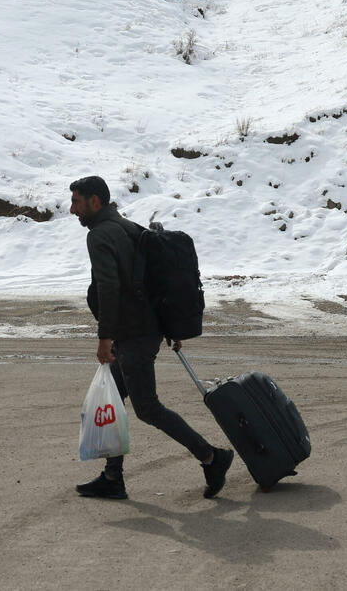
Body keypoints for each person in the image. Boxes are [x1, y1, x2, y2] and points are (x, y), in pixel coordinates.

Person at [68, 176, 233, 500]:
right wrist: (168, 327)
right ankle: (113, 477)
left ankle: (212, 456)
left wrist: (105, 338)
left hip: (133, 336)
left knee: (148, 408)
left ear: (95, 202)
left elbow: (110, 288)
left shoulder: (101, 235)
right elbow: (151, 282)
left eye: (77, 201)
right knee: (112, 400)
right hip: (143, 330)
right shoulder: (128, 227)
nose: (72, 209)